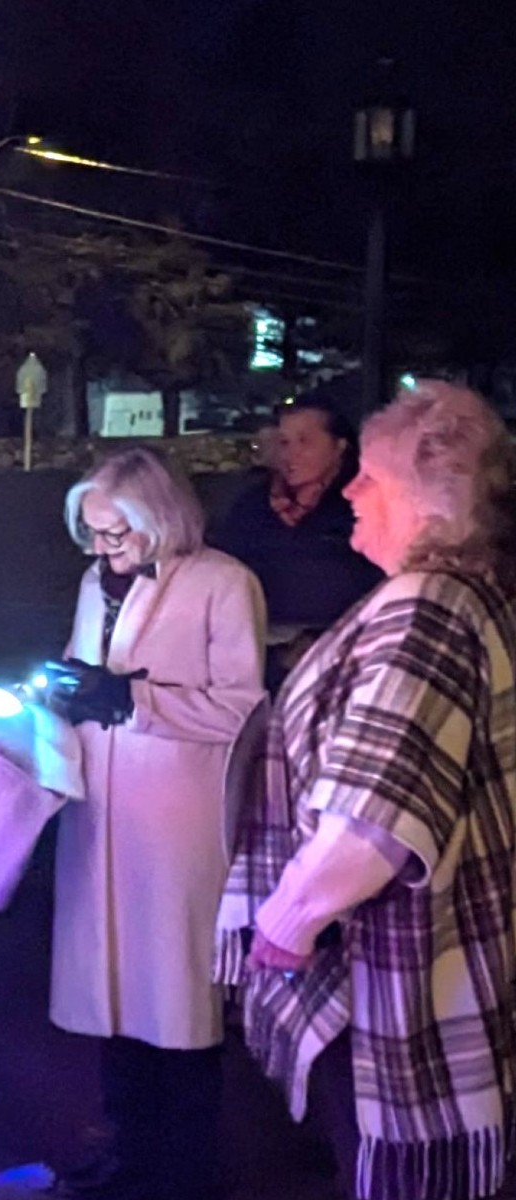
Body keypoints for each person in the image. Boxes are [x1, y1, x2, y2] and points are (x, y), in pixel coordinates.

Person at [222, 383, 516, 1200]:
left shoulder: (424, 608)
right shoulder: (462, 596)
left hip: (394, 969)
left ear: (433, 499)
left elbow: (375, 814)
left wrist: (286, 922)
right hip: (429, 954)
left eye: (373, 477)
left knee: (392, 1168)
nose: (349, 488)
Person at [46, 447, 265, 1200]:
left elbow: (241, 707)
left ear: (158, 519)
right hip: (99, 808)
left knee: (173, 993)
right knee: (109, 993)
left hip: (175, 817)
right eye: (94, 535)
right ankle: (127, 1153)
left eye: (117, 535)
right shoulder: (93, 582)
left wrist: (136, 703)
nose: (104, 551)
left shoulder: (224, 584)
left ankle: (184, 1170)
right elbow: (89, 671)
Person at [212, 397, 382, 689]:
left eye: (305, 441)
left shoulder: (364, 503)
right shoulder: (252, 504)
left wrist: (321, 638)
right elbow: (222, 571)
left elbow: (381, 584)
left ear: (339, 446)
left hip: (347, 660)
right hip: (259, 658)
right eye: (284, 443)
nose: (291, 455)